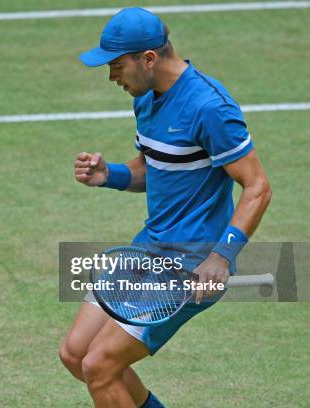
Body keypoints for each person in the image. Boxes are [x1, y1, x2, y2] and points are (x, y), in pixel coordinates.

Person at [60, 7, 272, 408]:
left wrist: (221, 257)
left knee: (99, 366)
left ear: (149, 59)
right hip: (149, 249)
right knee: (75, 354)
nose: (112, 77)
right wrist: (111, 175)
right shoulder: (146, 98)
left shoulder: (210, 108)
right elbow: (155, 167)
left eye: (117, 66)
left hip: (191, 262)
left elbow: (257, 186)